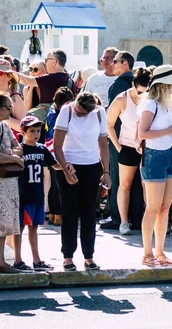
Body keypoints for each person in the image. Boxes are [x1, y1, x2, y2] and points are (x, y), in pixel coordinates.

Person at [138, 65, 172, 267]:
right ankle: (147, 253)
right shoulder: (151, 104)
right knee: (153, 207)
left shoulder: (167, 103)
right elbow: (143, 133)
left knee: (165, 207)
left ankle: (159, 251)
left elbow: (166, 131)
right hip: (154, 156)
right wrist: (170, 130)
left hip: (167, 155)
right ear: (163, 84)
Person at [53, 92, 110, 271]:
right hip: (69, 164)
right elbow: (57, 146)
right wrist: (65, 168)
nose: (78, 113)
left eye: (82, 113)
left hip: (91, 166)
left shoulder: (100, 113)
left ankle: (89, 256)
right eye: (77, 109)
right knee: (69, 212)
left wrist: (106, 171)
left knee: (89, 214)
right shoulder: (66, 111)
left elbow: (103, 144)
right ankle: (68, 256)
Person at [106, 68, 151, 235]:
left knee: (147, 185)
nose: (141, 95)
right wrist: (118, 147)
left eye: (144, 92)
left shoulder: (150, 98)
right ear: (133, 85)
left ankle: (148, 220)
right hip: (127, 145)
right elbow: (109, 124)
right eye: (139, 91)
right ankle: (123, 222)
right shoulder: (121, 99)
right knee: (125, 185)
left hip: (147, 146)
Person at [12, 116, 61, 272]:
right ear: (23, 132)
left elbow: (55, 165)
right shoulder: (20, 150)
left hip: (38, 195)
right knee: (19, 228)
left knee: (34, 227)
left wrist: (68, 166)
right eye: (32, 131)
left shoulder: (42, 149)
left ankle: (36, 260)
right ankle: (18, 259)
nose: (35, 134)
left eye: (38, 131)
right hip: (23, 195)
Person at [101, 50, 136, 231]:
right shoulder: (136, 84)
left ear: (125, 64)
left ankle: (117, 217)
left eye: (115, 61)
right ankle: (135, 218)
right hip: (137, 139)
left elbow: (112, 120)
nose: (111, 64)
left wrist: (115, 143)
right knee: (135, 182)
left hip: (120, 140)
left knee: (118, 178)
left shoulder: (118, 86)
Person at [0, 94, 24, 274]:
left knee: (4, 226)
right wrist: (13, 158)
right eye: (8, 107)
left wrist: (11, 155)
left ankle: (1, 262)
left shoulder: (5, 127)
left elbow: (19, 147)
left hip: (9, 183)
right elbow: (15, 154)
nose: (10, 111)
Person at [44, 87, 75, 226]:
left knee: (54, 185)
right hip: (59, 152)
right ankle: (58, 215)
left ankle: (52, 214)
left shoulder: (51, 111)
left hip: (50, 151)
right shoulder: (59, 115)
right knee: (59, 185)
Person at [0, 59, 26, 134]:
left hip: (8, 143)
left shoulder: (15, 98)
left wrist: (4, 116)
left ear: (9, 77)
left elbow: (22, 127)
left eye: (0, 73)